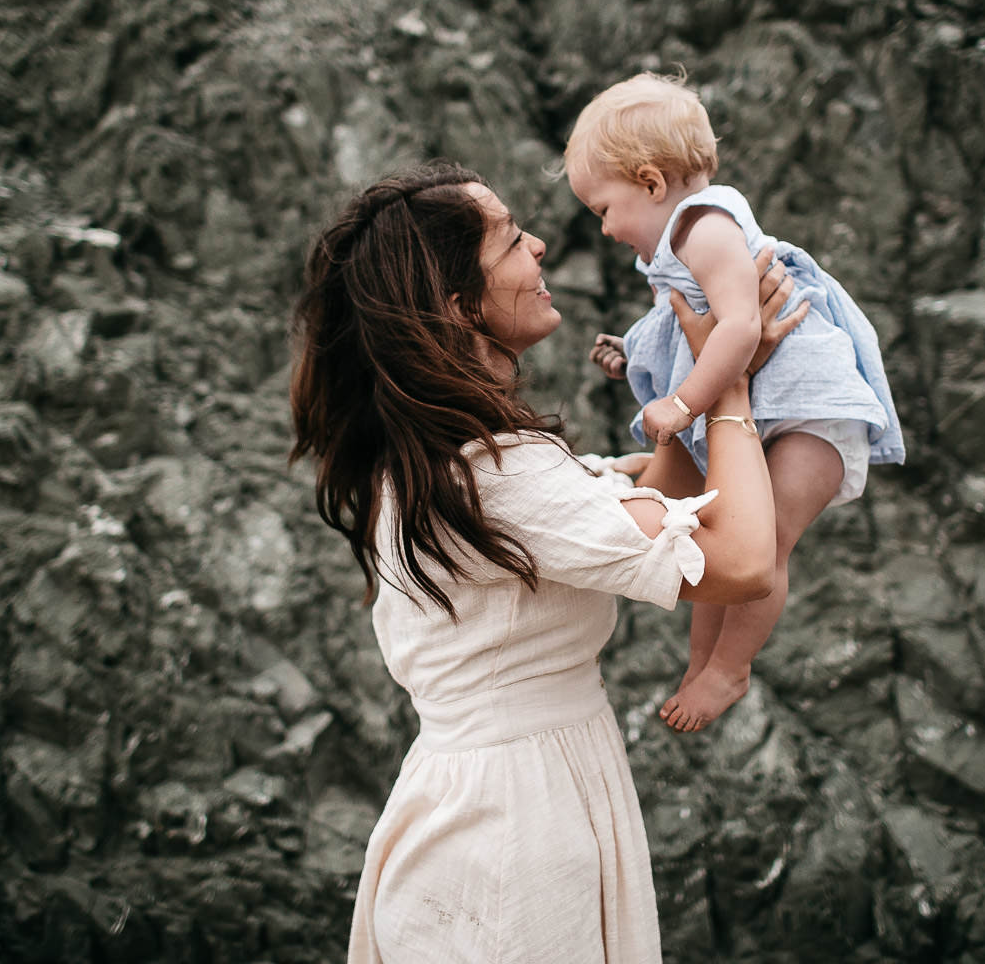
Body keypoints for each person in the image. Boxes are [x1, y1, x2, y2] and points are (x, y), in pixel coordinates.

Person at [289, 163, 804, 962]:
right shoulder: (488, 477)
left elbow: (662, 508)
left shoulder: (462, 464)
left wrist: (696, 379)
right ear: (457, 305)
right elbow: (740, 562)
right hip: (509, 832)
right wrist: (729, 387)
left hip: (512, 794)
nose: (537, 245)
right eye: (508, 239)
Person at [562, 71, 905, 733]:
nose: (604, 230)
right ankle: (703, 663)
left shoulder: (705, 228)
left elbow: (742, 328)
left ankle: (729, 668)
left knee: (764, 542)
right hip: (768, 408)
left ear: (650, 183)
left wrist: (683, 404)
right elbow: (694, 328)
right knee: (716, 539)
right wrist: (636, 354)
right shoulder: (681, 241)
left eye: (604, 209)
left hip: (811, 413)